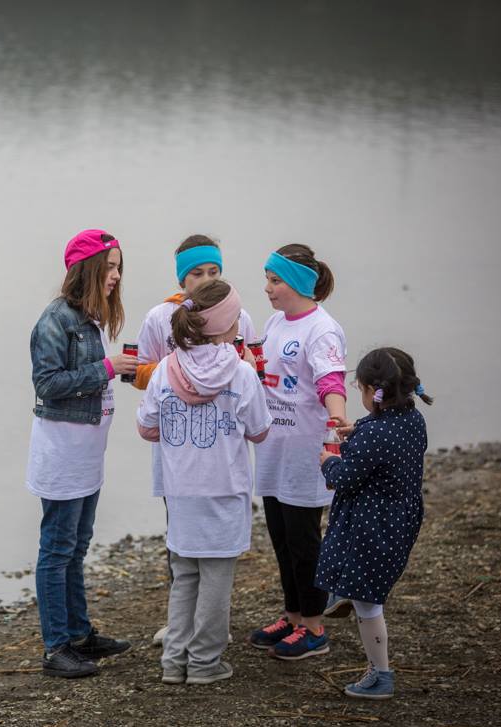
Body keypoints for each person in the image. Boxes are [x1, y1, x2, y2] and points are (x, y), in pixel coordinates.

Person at [136, 280, 272, 684]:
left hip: (181, 493)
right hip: (224, 493)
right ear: (227, 326)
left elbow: (146, 427)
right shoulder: (242, 374)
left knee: (184, 577)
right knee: (216, 582)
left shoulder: (165, 369)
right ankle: (204, 663)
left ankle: (173, 661)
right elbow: (260, 431)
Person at [26, 228, 136, 678]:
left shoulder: (92, 317)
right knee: (57, 549)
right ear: (87, 269)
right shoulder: (55, 320)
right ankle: (56, 648)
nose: (116, 276)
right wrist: (107, 368)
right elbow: (47, 383)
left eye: (118, 267)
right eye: (109, 267)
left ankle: (79, 634)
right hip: (61, 455)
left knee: (77, 546)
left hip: (88, 455)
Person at [249, 244, 348, 661]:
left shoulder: (322, 330)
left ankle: (314, 627)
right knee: (281, 538)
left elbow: (330, 380)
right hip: (273, 450)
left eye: (276, 281)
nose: (267, 288)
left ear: (299, 284)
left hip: (305, 454)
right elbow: (262, 373)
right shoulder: (275, 322)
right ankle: (292, 616)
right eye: (268, 280)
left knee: (305, 543)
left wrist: (338, 419)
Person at [316, 347, 433, 699]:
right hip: (400, 518)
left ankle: (380, 675)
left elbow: (344, 479)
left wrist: (328, 462)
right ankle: (344, 592)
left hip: (372, 523)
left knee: (370, 604)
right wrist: (357, 430)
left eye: (361, 389)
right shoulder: (413, 420)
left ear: (372, 391)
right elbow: (382, 439)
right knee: (361, 576)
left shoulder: (375, 435)